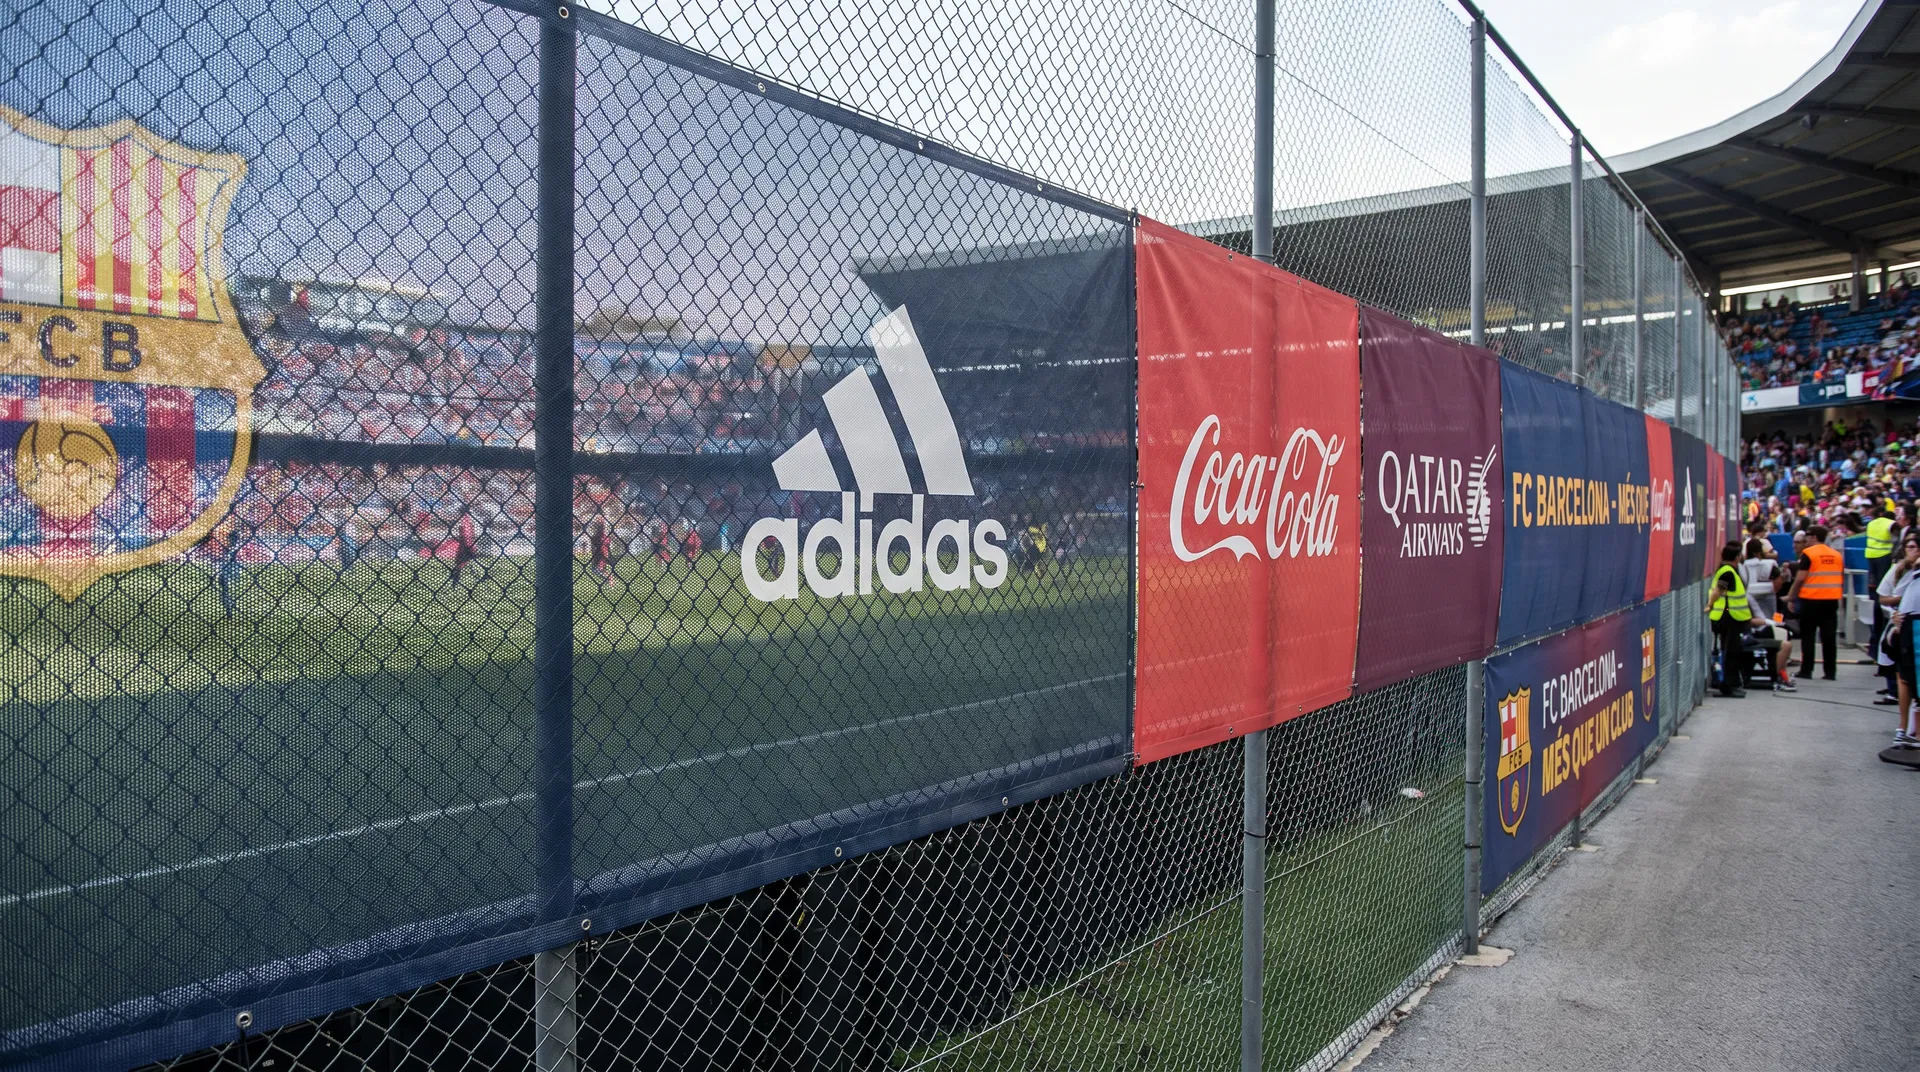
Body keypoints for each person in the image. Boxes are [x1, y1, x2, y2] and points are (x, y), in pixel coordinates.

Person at [1788, 525, 1844, 680]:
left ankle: (1806, 670)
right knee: (1829, 637)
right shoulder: (1836, 555)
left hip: (1811, 600)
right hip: (1831, 601)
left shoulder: (1809, 553)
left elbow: (1800, 578)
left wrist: (1791, 597)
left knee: (1808, 636)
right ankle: (1830, 672)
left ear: (1813, 538)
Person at [1707, 541, 1752, 697]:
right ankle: (1729, 685)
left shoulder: (1726, 570)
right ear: (1738, 556)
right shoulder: (1728, 571)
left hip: (1728, 616)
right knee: (1731, 652)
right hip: (1730, 617)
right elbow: (1719, 590)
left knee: (1731, 651)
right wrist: (1710, 604)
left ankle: (1729, 685)